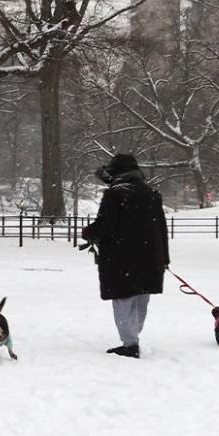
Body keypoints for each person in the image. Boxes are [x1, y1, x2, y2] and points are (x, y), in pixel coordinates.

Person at [80, 153, 170, 359]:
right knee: (141, 297)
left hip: (122, 257)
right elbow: (161, 229)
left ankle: (130, 344)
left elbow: (106, 225)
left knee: (123, 299)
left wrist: (88, 232)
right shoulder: (152, 193)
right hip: (149, 256)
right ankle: (133, 335)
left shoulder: (115, 194)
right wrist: (163, 257)